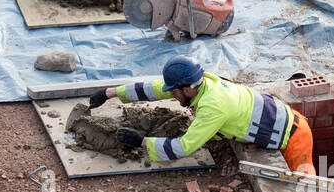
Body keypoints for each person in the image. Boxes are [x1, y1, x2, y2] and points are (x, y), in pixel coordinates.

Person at [88, 57, 316, 173]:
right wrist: (110, 93)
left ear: (187, 89)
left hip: (295, 137)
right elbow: (154, 88)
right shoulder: (204, 81)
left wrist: (141, 142)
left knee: (305, 187)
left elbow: (183, 147)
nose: (172, 96)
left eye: (174, 92)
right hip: (279, 119)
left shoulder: (212, 107)